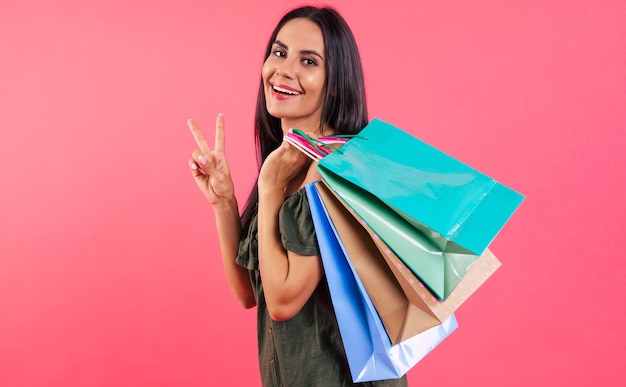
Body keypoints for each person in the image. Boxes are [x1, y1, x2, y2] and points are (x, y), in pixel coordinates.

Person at [188, 6, 408, 387]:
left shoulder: (330, 171)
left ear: (335, 82)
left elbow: (284, 302)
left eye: (308, 60)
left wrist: (269, 189)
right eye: (279, 52)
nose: (284, 69)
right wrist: (224, 201)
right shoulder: (289, 164)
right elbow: (248, 292)